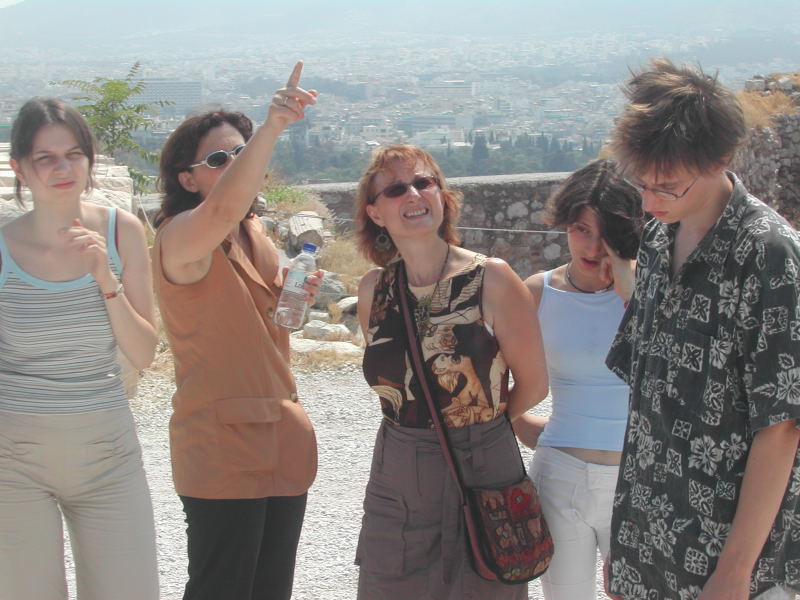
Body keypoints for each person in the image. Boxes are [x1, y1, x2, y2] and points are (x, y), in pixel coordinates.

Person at [604, 58, 800, 600]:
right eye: (642, 185)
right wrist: (627, 539)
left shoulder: (769, 255)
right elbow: (646, 404)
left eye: (666, 187)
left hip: (731, 564)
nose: (649, 203)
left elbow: (782, 424)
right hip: (650, 547)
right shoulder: (658, 237)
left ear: (720, 159)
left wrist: (734, 572)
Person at [152, 62, 322, 600]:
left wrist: (294, 300)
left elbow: (265, 325)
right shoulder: (179, 237)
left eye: (240, 154)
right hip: (221, 449)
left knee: (271, 589)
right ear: (188, 180)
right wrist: (271, 128)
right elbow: (222, 207)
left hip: (280, 439)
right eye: (219, 159)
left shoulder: (254, 234)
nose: (235, 165)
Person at [354, 144, 549, 599]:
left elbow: (535, 383)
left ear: (442, 195)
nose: (413, 194)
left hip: (484, 468)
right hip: (398, 476)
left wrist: (482, 427)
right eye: (396, 189)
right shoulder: (373, 290)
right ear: (375, 213)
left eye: (424, 182)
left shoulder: (493, 279)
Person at [0, 98, 159, 599]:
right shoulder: (3, 246)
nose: (63, 169)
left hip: (107, 454)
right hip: (14, 459)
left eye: (74, 154)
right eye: (45, 158)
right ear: (19, 168)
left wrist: (105, 279)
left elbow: (145, 353)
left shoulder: (121, 230)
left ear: (90, 159)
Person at [513, 158, 643, 600]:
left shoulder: (656, 292)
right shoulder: (538, 292)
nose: (593, 245)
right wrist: (523, 425)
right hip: (560, 478)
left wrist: (632, 293)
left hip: (639, 481)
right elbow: (493, 380)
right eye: (580, 229)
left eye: (607, 232)